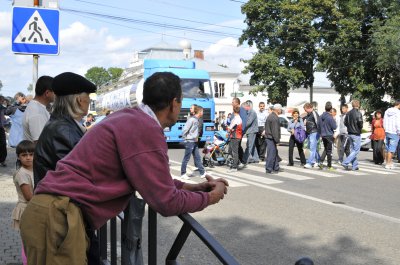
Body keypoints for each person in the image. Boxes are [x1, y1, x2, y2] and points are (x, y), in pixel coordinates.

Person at [20, 72, 228, 265]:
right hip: (59, 219)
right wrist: (210, 197)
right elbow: (166, 202)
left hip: (55, 215)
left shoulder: (130, 118)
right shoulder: (145, 128)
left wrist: (194, 188)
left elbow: (150, 178)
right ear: (174, 103)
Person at [33, 72, 97, 187]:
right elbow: (86, 175)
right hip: (64, 201)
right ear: (79, 100)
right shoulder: (64, 131)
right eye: (88, 96)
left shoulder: (61, 125)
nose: (89, 100)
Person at [11, 140, 35, 265]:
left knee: (34, 241)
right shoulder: (22, 174)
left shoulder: (35, 169)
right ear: (18, 157)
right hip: (26, 210)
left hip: (34, 209)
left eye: (31, 154)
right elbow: (29, 196)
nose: (28, 158)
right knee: (28, 242)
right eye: (24, 155)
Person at [23, 75, 55, 142]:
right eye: (55, 92)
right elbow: (40, 143)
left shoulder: (39, 108)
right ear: (47, 93)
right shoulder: (37, 112)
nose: (57, 95)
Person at [181, 105, 207, 179]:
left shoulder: (196, 120)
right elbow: (185, 130)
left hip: (194, 141)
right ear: (199, 112)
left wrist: (196, 137)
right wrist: (185, 138)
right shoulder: (192, 120)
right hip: (190, 141)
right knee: (186, 158)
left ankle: (202, 173)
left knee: (197, 157)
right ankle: (183, 174)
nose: (203, 112)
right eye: (202, 111)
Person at [342, 100, 363, 171]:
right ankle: (345, 162)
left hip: (350, 133)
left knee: (353, 150)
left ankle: (355, 165)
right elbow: (360, 123)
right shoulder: (358, 113)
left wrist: (349, 127)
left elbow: (345, 122)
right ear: (358, 105)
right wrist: (360, 128)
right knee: (356, 150)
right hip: (356, 133)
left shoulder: (348, 113)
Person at [318, 102, 337, 170]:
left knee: (326, 149)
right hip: (329, 135)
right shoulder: (330, 117)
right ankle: (329, 166)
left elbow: (318, 126)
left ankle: (320, 162)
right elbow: (334, 127)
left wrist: (320, 133)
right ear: (331, 109)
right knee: (329, 151)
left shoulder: (321, 116)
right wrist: (334, 120)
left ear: (325, 108)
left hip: (323, 135)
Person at [264, 103, 282, 174]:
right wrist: (277, 140)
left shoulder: (271, 116)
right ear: (278, 110)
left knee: (274, 153)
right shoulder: (274, 118)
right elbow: (275, 131)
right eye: (280, 109)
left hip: (269, 137)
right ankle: (269, 169)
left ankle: (275, 167)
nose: (281, 111)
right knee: (271, 154)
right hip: (271, 138)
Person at [383, 99, 400, 169]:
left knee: (387, 148)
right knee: (392, 149)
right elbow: (398, 123)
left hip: (387, 131)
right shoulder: (398, 112)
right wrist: (399, 131)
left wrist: (385, 129)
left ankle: (388, 162)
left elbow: (384, 121)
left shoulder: (387, 111)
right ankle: (388, 164)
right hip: (394, 132)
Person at [303, 103, 320, 168]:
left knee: (312, 148)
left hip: (314, 132)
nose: (305, 111)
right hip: (310, 132)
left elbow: (318, 123)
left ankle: (309, 163)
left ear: (309, 108)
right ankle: (318, 161)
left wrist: (319, 132)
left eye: (305, 110)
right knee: (313, 148)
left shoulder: (314, 113)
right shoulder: (309, 114)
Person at [227, 105, 243, 173]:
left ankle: (234, 167)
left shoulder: (235, 118)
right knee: (234, 151)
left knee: (234, 152)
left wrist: (228, 129)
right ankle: (238, 163)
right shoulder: (239, 118)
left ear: (234, 111)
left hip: (235, 136)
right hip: (238, 136)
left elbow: (230, 128)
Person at [0, 96, 8, 167]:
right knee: (2, 144)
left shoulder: (2, 108)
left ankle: (2, 160)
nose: (2, 102)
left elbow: (4, 116)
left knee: (3, 144)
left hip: (1, 128)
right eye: (2, 101)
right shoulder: (2, 107)